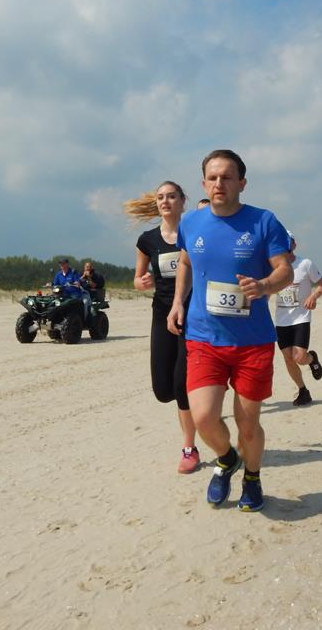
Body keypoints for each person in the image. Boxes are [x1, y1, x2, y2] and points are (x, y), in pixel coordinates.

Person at [168, 149, 292, 512]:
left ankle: (252, 476)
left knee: (247, 424)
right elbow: (185, 262)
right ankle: (226, 459)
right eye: (212, 177)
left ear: (242, 183)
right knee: (204, 417)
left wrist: (264, 286)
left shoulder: (263, 221)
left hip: (253, 341)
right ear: (203, 183)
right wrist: (178, 302)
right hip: (204, 336)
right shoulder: (191, 223)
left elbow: (284, 270)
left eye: (227, 177)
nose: (219, 183)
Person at [127, 182, 200, 473]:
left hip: (192, 316)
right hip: (161, 315)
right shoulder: (147, 240)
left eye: (171, 196)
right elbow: (137, 279)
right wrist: (141, 282)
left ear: (183, 201)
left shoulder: (195, 233)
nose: (165, 201)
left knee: (182, 385)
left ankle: (189, 447)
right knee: (163, 390)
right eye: (161, 197)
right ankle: (202, 401)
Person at [275, 231, 322, 406]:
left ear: (293, 244)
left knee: (299, 357)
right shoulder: (272, 266)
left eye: (287, 241)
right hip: (281, 320)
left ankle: (312, 358)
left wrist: (313, 296)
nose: (284, 245)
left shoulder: (305, 264)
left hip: (301, 318)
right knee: (288, 358)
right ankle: (303, 391)